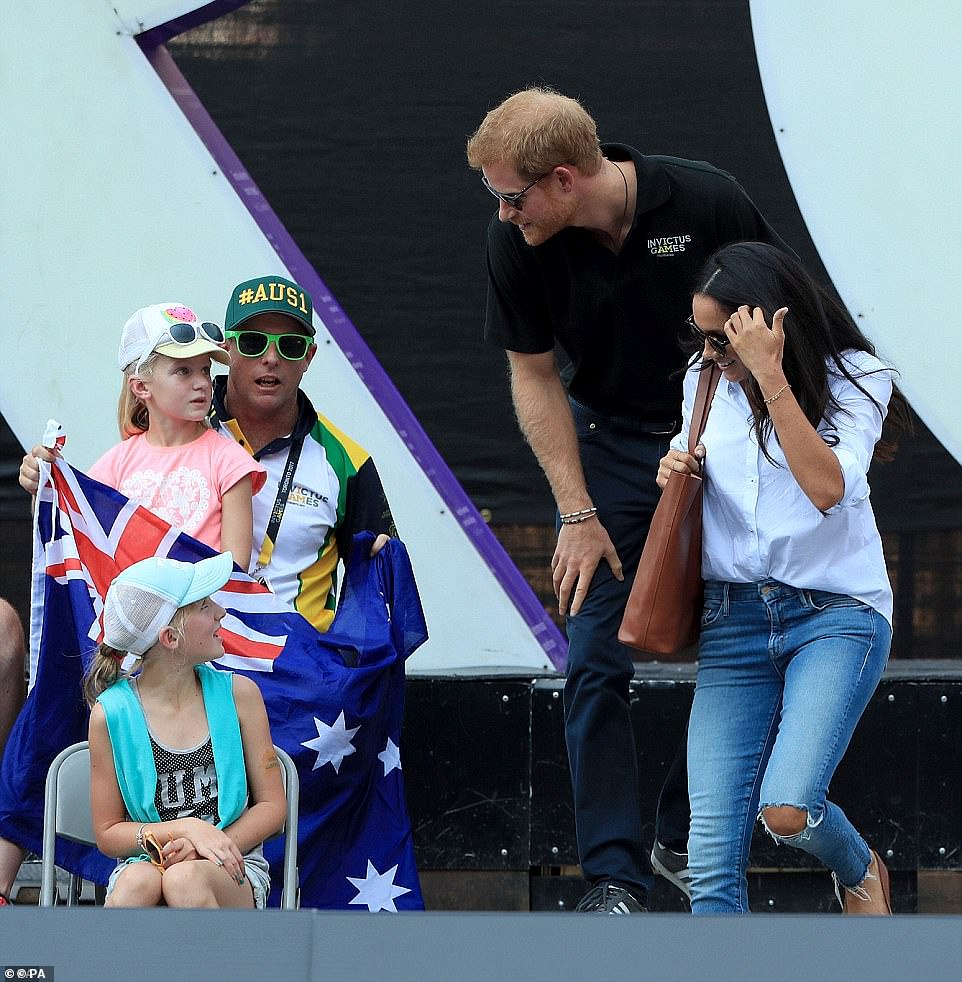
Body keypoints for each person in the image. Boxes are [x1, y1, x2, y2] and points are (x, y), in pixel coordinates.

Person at [466, 87, 791, 912]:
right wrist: (575, 512)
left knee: (757, 641)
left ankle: (684, 834)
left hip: (723, 438)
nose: (504, 215)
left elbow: (784, 322)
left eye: (514, 197)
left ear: (566, 180)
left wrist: (751, 439)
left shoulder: (707, 198)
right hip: (610, 445)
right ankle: (613, 875)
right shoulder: (519, 244)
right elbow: (534, 374)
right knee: (594, 655)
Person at [660, 241, 907, 914]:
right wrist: (676, 471)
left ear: (771, 324)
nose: (709, 355)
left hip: (835, 616)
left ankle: (859, 871)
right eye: (701, 338)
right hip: (732, 619)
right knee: (708, 859)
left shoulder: (857, 377)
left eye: (723, 340)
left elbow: (827, 487)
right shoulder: (705, 380)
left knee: (789, 810)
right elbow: (705, 472)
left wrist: (771, 377)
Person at [1, 302, 266, 903]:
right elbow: (83, 537)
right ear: (140, 385)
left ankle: (191, 855)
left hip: (201, 651)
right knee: (45, 720)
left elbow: (236, 570)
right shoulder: (115, 463)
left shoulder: (227, 457)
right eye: (184, 371)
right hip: (128, 659)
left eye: (207, 370)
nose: (203, 383)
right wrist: (44, 482)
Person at [86, 552, 286, 907]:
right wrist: (186, 829)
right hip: (145, 861)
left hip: (233, 863)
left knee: (184, 880)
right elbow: (108, 833)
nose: (220, 612)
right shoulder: (109, 715)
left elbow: (273, 805)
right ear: (170, 638)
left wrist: (202, 846)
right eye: (205, 606)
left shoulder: (240, 696)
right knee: (135, 885)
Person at [211, 274, 394, 629]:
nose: (270, 358)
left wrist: (338, 664)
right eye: (252, 342)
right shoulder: (184, 432)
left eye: (290, 345)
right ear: (226, 349)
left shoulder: (347, 462)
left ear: (308, 356)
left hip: (300, 674)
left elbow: (378, 590)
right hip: (195, 669)